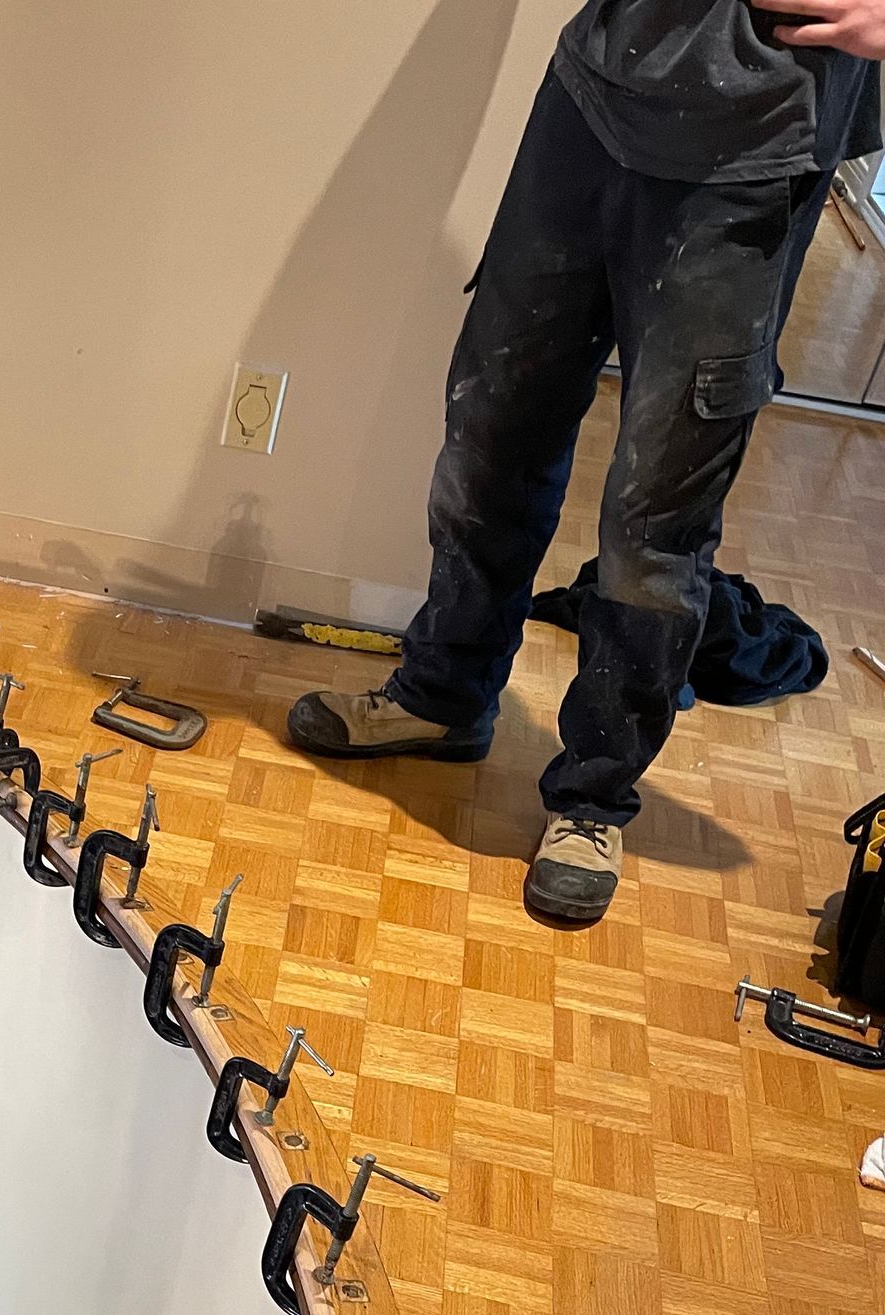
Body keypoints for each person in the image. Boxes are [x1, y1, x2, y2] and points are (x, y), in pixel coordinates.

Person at [287, 0, 885, 923]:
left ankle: (591, 798)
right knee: (490, 432)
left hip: (752, 153)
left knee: (657, 520)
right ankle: (444, 694)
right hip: (590, 99)